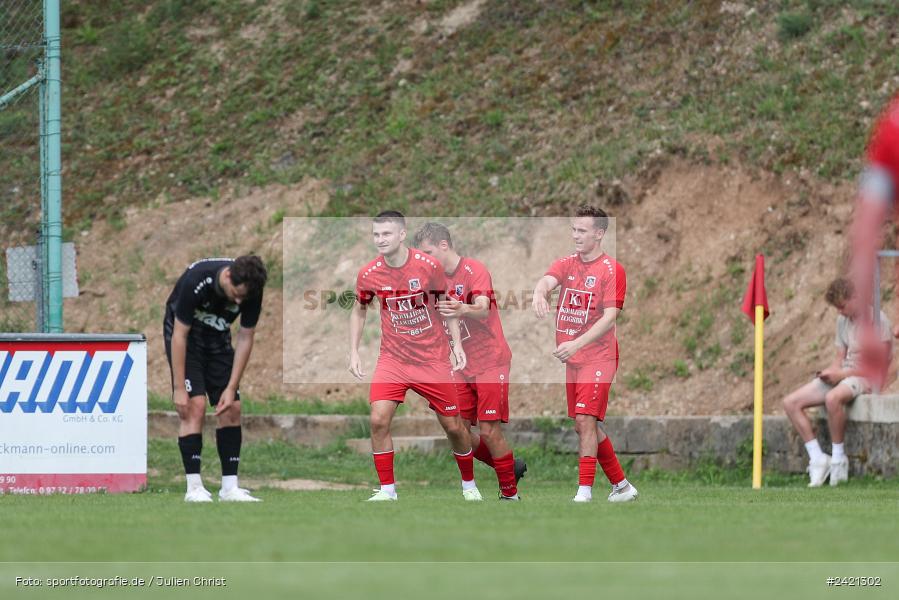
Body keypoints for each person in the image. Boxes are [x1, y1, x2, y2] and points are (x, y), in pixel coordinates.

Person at [348, 211, 480, 502]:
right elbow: (359, 309)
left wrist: (456, 345)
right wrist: (354, 350)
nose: (380, 240)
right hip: (392, 360)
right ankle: (387, 490)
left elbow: (446, 304)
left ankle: (469, 485)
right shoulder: (369, 273)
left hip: (431, 359)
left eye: (386, 234)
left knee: (454, 426)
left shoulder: (428, 266)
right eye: (376, 234)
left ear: (402, 235)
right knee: (378, 420)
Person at [531, 205, 638, 503]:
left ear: (599, 234)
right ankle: (622, 486)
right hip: (574, 359)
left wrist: (576, 343)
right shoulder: (567, 263)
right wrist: (540, 293)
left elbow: (609, 318)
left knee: (585, 419)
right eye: (573, 230)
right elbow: (547, 280)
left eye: (582, 231)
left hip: (599, 357)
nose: (575, 236)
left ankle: (584, 491)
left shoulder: (612, 270)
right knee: (583, 424)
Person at [413, 222, 526, 501]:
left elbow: (483, 309)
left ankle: (510, 494)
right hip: (458, 364)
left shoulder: (474, 270)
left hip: (490, 360)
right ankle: (508, 467)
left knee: (488, 430)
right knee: (457, 428)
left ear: (443, 245)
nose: (425, 259)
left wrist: (463, 307)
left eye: (428, 252)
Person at [163, 255, 267, 502]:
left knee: (232, 408)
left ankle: (230, 488)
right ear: (228, 276)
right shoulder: (197, 279)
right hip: (187, 341)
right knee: (194, 406)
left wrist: (231, 387)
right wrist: (179, 388)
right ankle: (194, 488)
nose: (239, 301)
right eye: (236, 294)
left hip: (218, 340)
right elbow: (179, 335)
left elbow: (245, 336)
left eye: (244, 298)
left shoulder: (252, 289)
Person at [782, 278, 892, 487]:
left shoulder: (877, 320)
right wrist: (829, 372)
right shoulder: (842, 321)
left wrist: (841, 375)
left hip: (864, 377)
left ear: (856, 298)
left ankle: (839, 458)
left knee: (833, 399)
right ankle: (817, 458)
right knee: (790, 403)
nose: (840, 312)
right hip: (844, 374)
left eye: (842, 306)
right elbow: (839, 357)